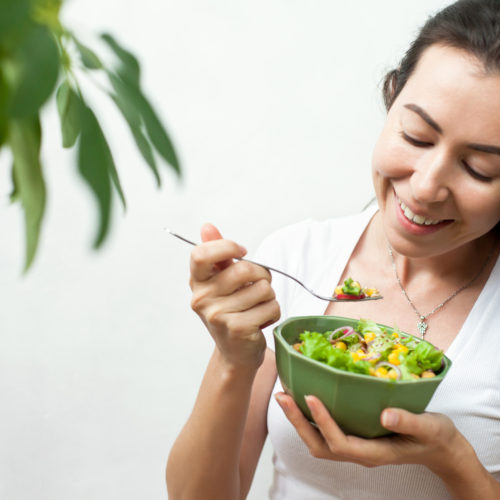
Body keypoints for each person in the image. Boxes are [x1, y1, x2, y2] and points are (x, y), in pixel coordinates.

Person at [166, 0, 500, 498]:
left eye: (479, 169)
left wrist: (450, 458)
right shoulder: (295, 257)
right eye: (416, 136)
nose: (427, 187)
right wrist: (233, 359)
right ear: (391, 99)